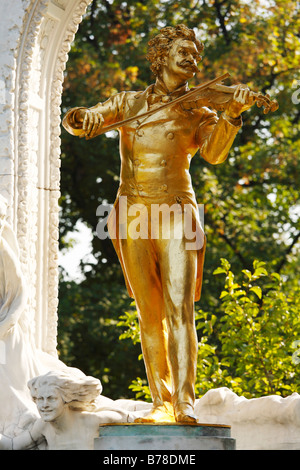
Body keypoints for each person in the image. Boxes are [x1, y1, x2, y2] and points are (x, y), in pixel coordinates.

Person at [62, 24, 256, 423]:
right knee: (148, 312)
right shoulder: (129, 103)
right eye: (185, 51)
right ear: (161, 56)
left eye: (196, 55)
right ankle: (161, 402)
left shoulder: (200, 110)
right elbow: (89, 120)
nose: (193, 59)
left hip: (176, 211)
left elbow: (215, 155)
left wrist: (231, 114)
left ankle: (184, 403)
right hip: (131, 211)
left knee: (179, 308)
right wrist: (78, 117)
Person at [0, 370, 140, 450]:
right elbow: (13, 445)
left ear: (65, 399)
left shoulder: (93, 421)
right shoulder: (43, 426)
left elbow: (139, 418)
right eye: (40, 399)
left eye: (51, 398)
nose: (44, 405)